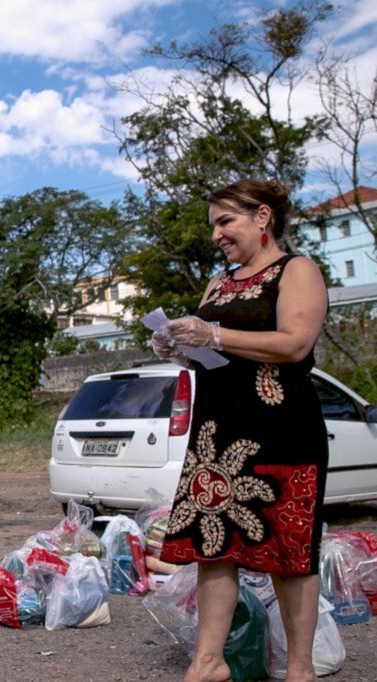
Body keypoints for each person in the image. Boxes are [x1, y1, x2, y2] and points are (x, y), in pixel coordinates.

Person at [152, 179, 329, 682]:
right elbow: (218, 356)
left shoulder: (296, 271)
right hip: (216, 434)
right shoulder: (218, 283)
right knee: (215, 546)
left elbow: (295, 343)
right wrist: (184, 350)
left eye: (225, 221)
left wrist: (215, 332)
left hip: (281, 431)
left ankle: (299, 670)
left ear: (262, 217)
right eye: (213, 225)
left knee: (288, 552)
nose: (216, 235)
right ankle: (208, 663)